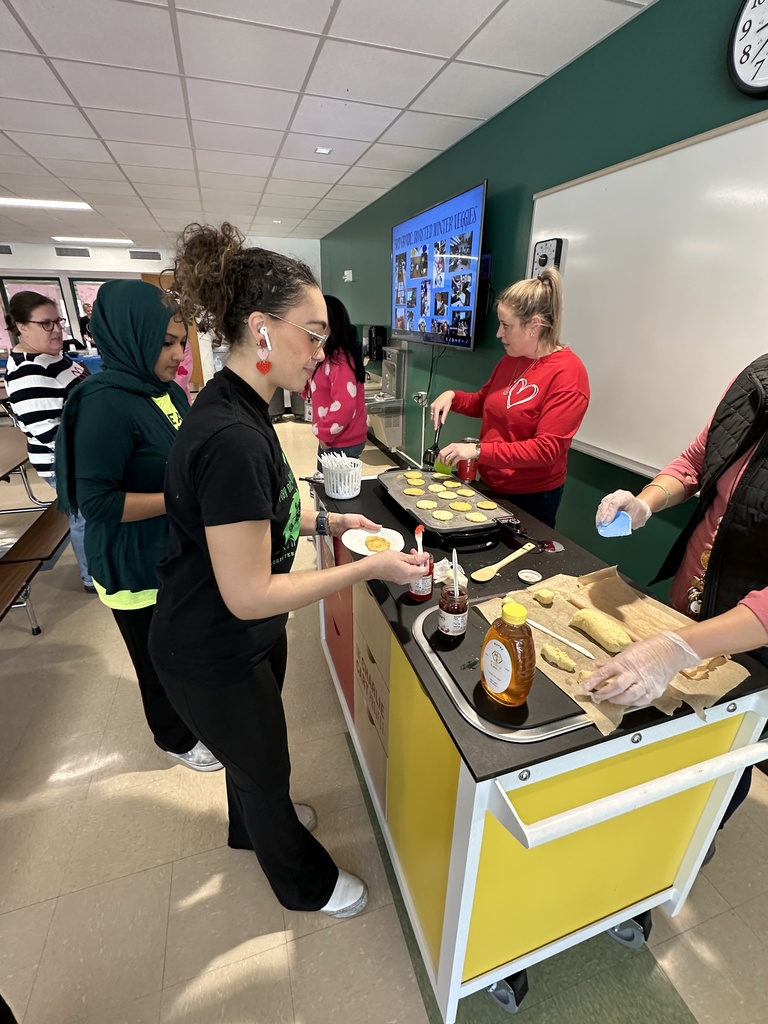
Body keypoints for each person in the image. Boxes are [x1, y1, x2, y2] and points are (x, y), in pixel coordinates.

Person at [147, 222, 427, 918]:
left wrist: (333, 523)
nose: (323, 351)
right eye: (313, 332)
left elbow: (256, 515)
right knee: (265, 767)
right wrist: (369, 570)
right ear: (261, 330)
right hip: (211, 645)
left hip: (233, 638)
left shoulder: (241, 410)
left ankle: (251, 827)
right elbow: (249, 593)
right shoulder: (233, 436)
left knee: (253, 764)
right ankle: (306, 885)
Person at [585, 354, 768, 842]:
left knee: (723, 743)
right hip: (688, 599)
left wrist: (678, 649)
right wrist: (647, 501)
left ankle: (685, 843)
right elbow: (696, 461)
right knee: (663, 733)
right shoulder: (755, 381)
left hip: (752, 638)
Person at [55, 280, 221, 772]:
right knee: (155, 660)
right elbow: (97, 502)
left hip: (172, 551)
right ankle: (173, 738)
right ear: (130, 336)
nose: (178, 353)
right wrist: (180, 500)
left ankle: (190, 717)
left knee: (180, 650)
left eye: (180, 340)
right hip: (134, 563)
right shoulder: (104, 403)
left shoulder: (166, 390)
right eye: (165, 343)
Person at [431, 268, 589, 528]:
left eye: (506, 325)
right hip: (491, 484)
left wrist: (478, 450)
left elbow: (546, 449)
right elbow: (485, 402)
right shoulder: (512, 360)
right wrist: (453, 396)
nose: (498, 333)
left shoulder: (568, 374)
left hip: (531, 497)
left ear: (534, 326)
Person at [4, 291, 93, 592]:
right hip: (65, 461)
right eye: (46, 324)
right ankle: (92, 576)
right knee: (85, 516)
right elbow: (49, 433)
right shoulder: (29, 372)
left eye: (58, 321)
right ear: (21, 327)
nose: (56, 329)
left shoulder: (54, 357)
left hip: (81, 453)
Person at [308, 294, 367, 469]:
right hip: (334, 438)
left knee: (333, 490)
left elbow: (345, 405)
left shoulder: (339, 360)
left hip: (341, 441)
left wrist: (325, 433)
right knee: (324, 485)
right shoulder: (327, 356)